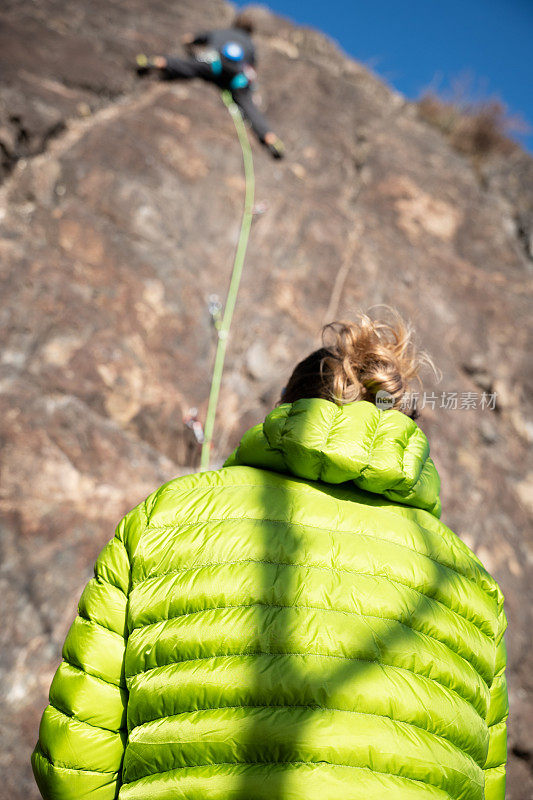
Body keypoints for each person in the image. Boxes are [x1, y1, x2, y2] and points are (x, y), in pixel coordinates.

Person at [32, 311, 507, 800]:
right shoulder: (473, 589)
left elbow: (73, 762)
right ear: (408, 430)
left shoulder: (166, 517)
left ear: (285, 407)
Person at [136, 13, 285, 159]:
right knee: (249, 106)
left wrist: (189, 42)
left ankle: (157, 62)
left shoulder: (221, 32)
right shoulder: (250, 44)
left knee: (188, 66)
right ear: (249, 31)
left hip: (214, 64)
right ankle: (270, 138)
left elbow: (192, 38)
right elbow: (251, 66)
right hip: (237, 77)